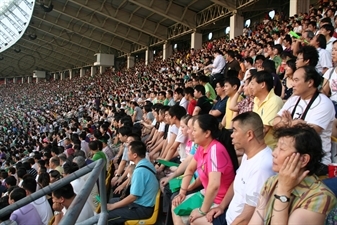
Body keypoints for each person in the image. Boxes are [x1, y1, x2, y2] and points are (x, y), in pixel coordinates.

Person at [191, 112, 275, 225]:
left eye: (235, 130)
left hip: (235, 221)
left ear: (249, 135)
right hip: (228, 214)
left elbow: (247, 217)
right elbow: (236, 181)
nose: (231, 135)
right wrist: (221, 207)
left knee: (194, 220)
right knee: (194, 219)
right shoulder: (249, 154)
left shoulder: (262, 167)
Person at [248, 124, 337, 225]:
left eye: (282, 149)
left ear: (303, 160)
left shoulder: (320, 197)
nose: (274, 153)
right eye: (276, 147)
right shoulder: (272, 181)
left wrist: (283, 192)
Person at [172, 114, 237, 225]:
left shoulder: (215, 149)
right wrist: (182, 192)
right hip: (206, 193)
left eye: (194, 130)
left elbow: (214, 185)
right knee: (176, 205)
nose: (190, 132)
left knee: (195, 220)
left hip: (219, 199)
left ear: (207, 133)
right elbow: (190, 169)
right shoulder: (202, 147)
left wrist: (202, 211)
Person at [273, 66, 335, 175]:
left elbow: (309, 134)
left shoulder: (324, 103)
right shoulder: (293, 99)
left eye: (296, 80)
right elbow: (275, 123)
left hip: (314, 163)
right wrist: (294, 124)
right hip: (289, 156)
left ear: (310, 82)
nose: (292, 84)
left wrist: (286, 123)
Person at [107, 140, 159, 224]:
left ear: (135, 155)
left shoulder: (139, 171)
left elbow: (133, 197)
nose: (127, 153)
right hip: (144, 204)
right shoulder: (147, 163)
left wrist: (113, 206)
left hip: (142, 209)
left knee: (107, 216)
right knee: (112, 201)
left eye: (128, 151)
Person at [250, 70, 283, 149]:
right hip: (257, 145)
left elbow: (264, 129)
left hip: (269, 148)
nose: (250, 87)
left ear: (262, 85)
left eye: (252, 84)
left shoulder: (274, 101)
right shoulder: (256, 100)